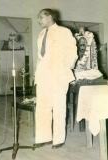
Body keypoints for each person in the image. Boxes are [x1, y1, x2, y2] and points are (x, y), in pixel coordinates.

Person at [34, 8, 77, 148]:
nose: (39, 20)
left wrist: (64, 68)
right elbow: (41, 57)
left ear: (50, 16)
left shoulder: (64, 31)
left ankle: (58, 139)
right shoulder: (40, 34)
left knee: (59, 107)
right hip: (43, 76)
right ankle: (44, 137)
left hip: (58, 75)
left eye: (41, 17)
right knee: (42, 106)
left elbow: (72, 52)